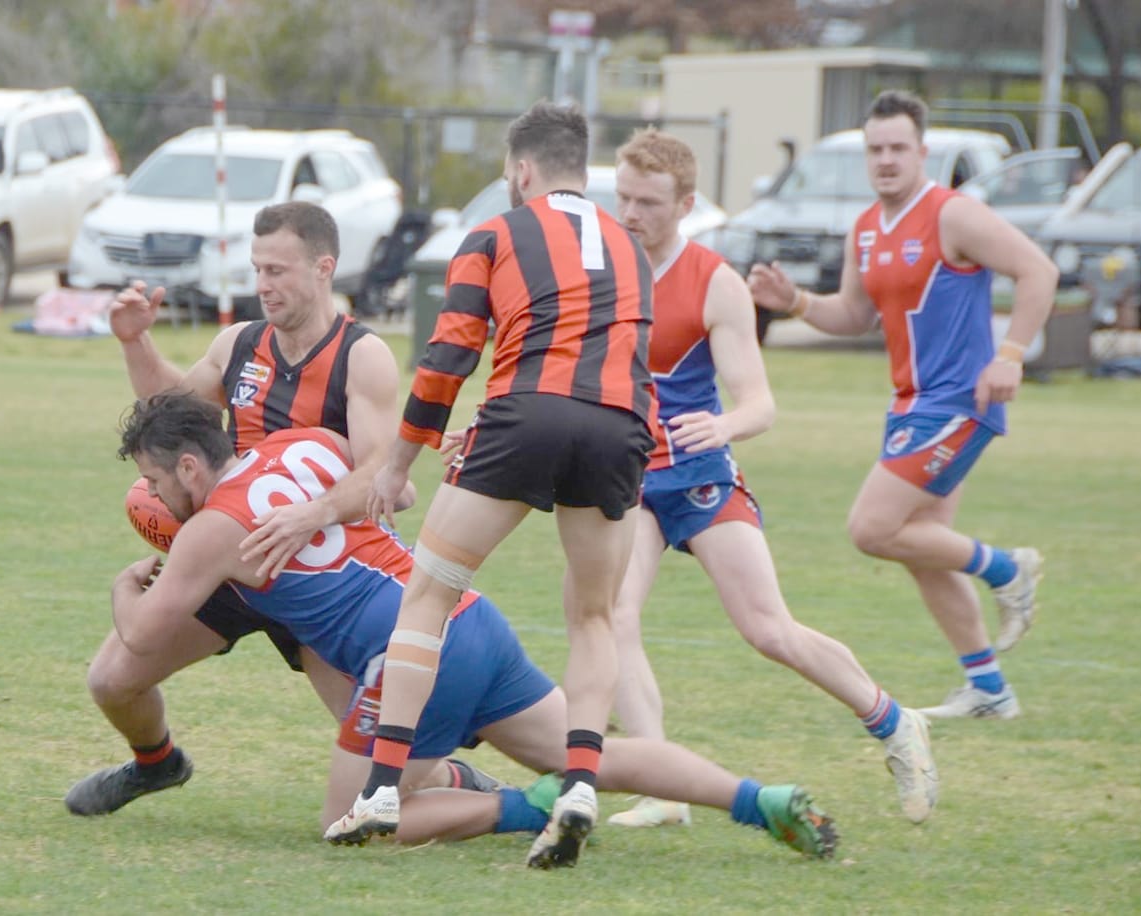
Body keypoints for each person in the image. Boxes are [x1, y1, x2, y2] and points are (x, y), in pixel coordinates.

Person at [103, 391, 838, 863]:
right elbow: (384, 480)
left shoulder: (207, 531)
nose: (159, 500)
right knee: (595, 754)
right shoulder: (303, 444)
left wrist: (125, 583)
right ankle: (760, 800)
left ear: (192, 468)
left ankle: (527, 808)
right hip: (463, 613)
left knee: (347, 820)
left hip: (413, 657)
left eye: (158, 482)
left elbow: (140, 641)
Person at [67, 202, 485, 818]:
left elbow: (383, 475)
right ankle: (157, 763)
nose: (264, 285)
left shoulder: (359, 356)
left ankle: (455, 775)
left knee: (382, 755)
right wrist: (135, 341)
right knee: (111, 681)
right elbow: (173, 417)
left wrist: (311, 513)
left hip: (322, 573)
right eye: (258, 269)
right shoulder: (239, 343)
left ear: (323, 268)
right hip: (233, 559)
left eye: (279, 271)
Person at [333, 100, 657, 867]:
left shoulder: (495, 233)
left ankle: (382, 786)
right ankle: (579, 782)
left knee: (430, 593)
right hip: (618, 425)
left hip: (526, 415)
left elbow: (449, 357)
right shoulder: (632, 246)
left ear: (520, 171)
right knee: (594, 616)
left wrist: (400, 461)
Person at [598, 127, 937, 828]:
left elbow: (759, 403)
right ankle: (663, 784)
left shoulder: (713, 281)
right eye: (622, 197)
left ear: (685, 203)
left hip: (698, 477)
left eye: (648, 202)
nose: (630, 213)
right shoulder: (603, 269)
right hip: (632, 478)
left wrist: (721, 426)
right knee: (614, 615)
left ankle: (894, 721)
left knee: (767, 629)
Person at [748, 90, 1055, 720]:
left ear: (922, 153)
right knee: (920, 547)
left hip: (959, 402)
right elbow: (854, 314)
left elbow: (1038, 271)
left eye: (898, 148)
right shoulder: (866, 228)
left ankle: (1007, 569)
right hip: (908, 407)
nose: (886, 160)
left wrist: (1013, 352)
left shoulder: (953, 214)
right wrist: (796, 301)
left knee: (873, 528)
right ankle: (989, 690)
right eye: (875, 149)